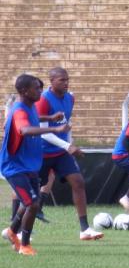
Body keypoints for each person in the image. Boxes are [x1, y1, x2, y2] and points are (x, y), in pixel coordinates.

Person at [1, 74, 70, 255]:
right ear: (24, 91)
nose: (40, 90)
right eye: (36, 88)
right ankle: (24, 245)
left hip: (29, 165)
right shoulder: (19, 111)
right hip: (14, 167)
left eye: (40, 87)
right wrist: (54, 128)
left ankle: (11, 232)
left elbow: (35, 117)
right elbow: (24, 129)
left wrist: (51, 117)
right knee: (32, 204)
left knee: (31, 202)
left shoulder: (30, 107)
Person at [35, 67, 104, 240]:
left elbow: (67, 122)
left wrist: (69, 143)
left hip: (60, 152)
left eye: (67, 79)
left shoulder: (70, 98)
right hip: (42, 152)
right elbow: (43, 131)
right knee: (31, 190)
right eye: (62, 80)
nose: (66, 83)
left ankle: (84, 229)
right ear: (51, 81)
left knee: (78, 182)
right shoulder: (44, 100)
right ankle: (17, 229)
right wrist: (67, 146)